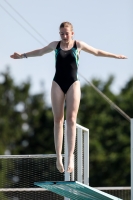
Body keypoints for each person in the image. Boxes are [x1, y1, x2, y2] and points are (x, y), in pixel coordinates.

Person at [10, 21, 127, 173]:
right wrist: (23, 55)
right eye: (61, 34)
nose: (64, 36)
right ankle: (59, 156)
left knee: (71, 119)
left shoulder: (78, 45)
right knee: (58, 119)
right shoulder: (56, 45)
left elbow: (97, 52)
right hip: (57, 83)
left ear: (72, 33)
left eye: (66, 33)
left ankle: (70, 155)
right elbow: (40, 52)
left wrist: (115, 56)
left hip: (73, 84)